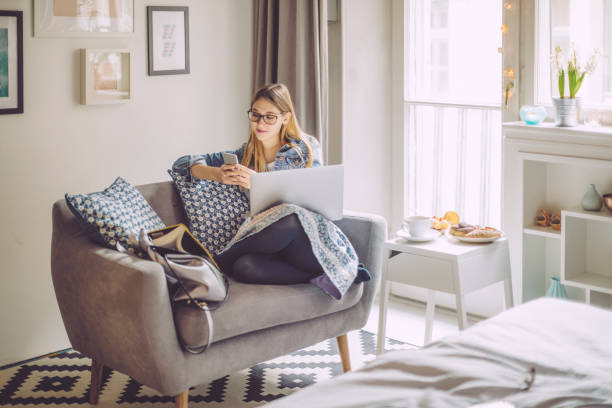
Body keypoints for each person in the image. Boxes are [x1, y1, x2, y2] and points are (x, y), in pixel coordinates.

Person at [172, 83, 325, 285]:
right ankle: (321, 278)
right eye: (255, 114)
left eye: (270, 117)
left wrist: (259, 183)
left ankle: (215, 262)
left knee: (290, 219)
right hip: (271, 247)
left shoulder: (306, 149)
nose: (260, 122)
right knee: (244, 268)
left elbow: (307, 203)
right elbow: (181, 163)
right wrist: (217, 174)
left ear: (285, 118)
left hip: (305, 242)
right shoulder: (246, 154)